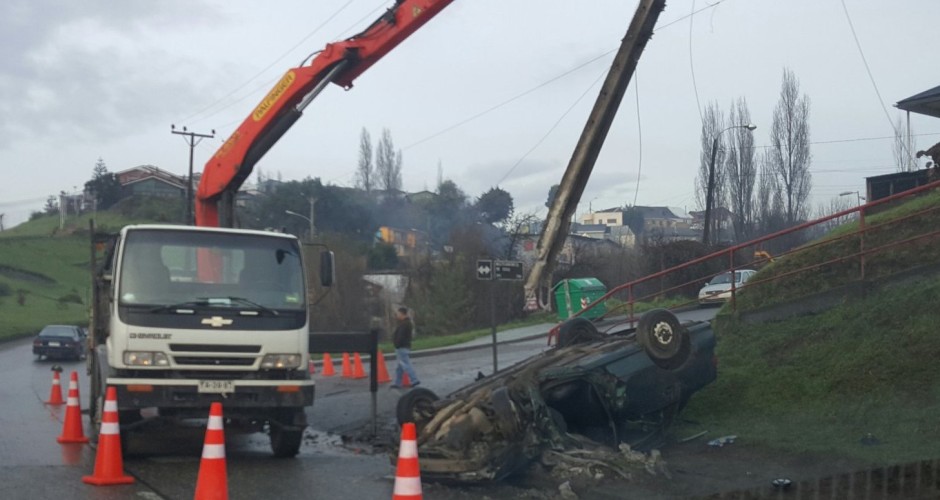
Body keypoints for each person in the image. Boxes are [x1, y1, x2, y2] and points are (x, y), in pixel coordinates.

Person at [391, 307, 420, 389]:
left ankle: (414, 380)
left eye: (397, 313)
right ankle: (398, 383)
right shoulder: (405, 323)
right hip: (403, 346)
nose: (396, 315)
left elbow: (401, 336)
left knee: (405, 364)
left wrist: (397, 344)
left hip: (402, 347)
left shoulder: (405, 324)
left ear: (401, 313)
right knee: (399, 367)